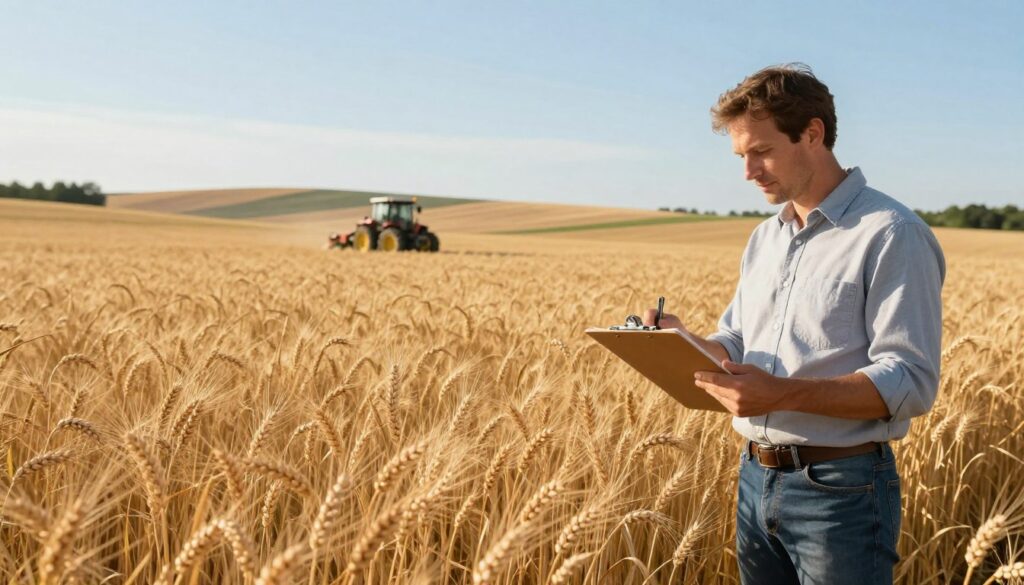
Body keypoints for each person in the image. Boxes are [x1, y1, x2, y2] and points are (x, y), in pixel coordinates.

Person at [642, 64, 945, 584]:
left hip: (841, 489)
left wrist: (780, 394)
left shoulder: (891, 234)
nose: (748, 172)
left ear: (812, 133)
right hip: (754, 477)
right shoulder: (766, 237)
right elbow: (736, 340)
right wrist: (684, 343)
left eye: (761, 151)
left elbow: (910, 382)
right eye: (741, 156)